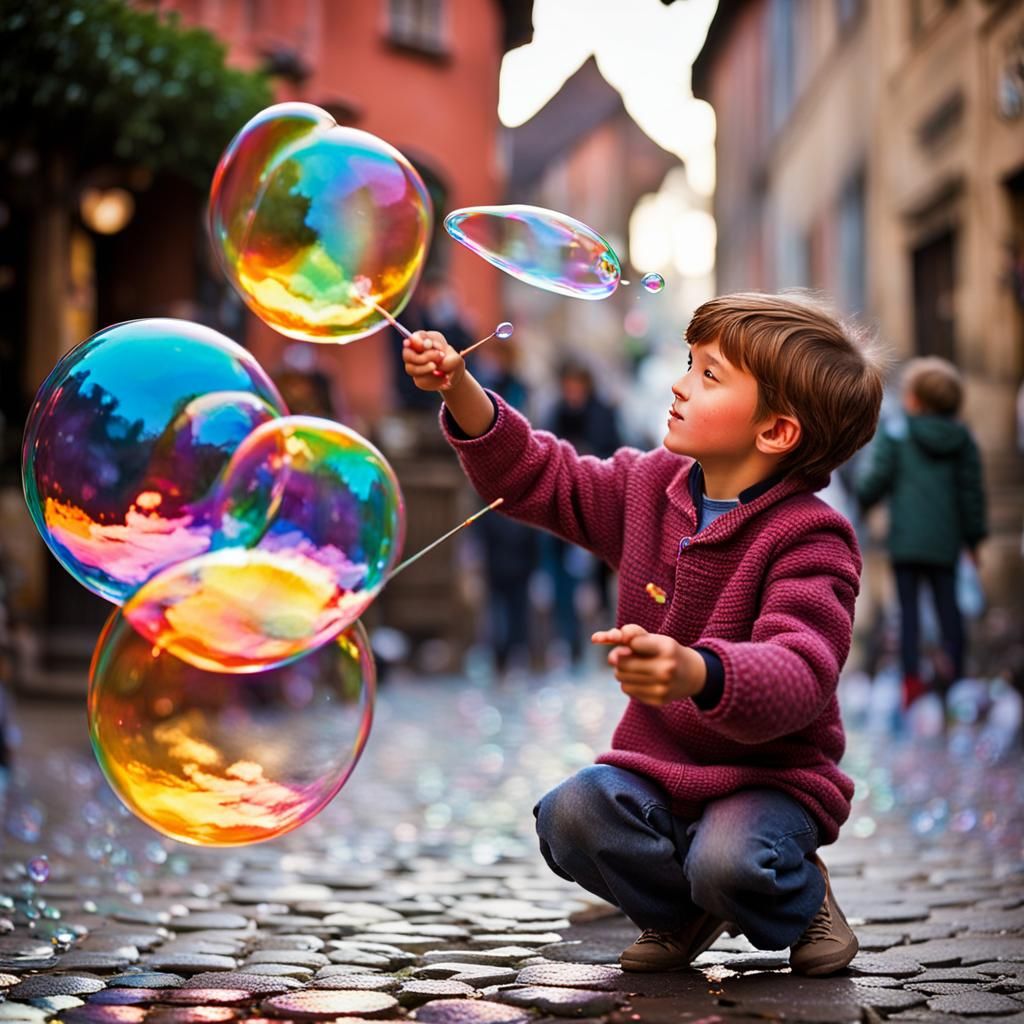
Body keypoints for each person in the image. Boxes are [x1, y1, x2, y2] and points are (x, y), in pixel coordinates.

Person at [403, 291, 885, 976]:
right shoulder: (647, 485)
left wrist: (698, 672)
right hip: (657, 775)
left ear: (776, 431)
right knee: (570, 813)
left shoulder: (812, 537)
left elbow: (802, 669)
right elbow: (540, 475)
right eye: (691, 363)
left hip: (768, 783)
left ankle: (800, 897)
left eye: (709, 375)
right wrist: (459, 387)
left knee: (730, 863)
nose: (680, 384)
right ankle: (679, 915)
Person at [856, 356, 987, 709]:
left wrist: (862, 500)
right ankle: (956, 680)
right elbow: (972, 495)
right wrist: (974, 540)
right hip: (946, 543)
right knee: (949, 609)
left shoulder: (897, 434)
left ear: (915, 399)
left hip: (906, 543)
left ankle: (910, 683)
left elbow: (876, 480)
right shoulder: (963, 440)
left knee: (909, 613)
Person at [543, 361, 622, 666]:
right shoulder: (556, 413)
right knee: (563, 584)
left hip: (598, 509)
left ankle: (603, 643)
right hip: (563, 511)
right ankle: (570, 642)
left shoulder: (603, 413)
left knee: (598, 583)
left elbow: (613, 454)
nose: (573, 391)